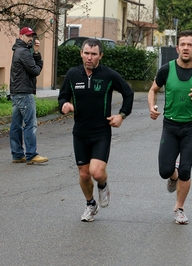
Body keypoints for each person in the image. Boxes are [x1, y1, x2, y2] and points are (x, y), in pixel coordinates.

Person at [58, 38, 134, 222]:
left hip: (101, 132)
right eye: (86, 53)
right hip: (80, 132)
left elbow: (128, 93)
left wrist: (121, 115)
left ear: (100, 55)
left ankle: (103, 184)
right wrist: (65, 105)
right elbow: (63, 96)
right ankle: (90, 204)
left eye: (93, 54)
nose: (89, 57)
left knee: (97, 172)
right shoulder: (72, 74)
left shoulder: (109, 75)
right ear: (81, 54)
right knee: (84, 174)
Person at [147, 30, 192, 225]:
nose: (186, 48)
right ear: (177, 48)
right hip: (170, 126)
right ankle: (173, 175)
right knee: (164, 170)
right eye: (183, 44)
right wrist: (152, 107)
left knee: (186, 170)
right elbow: (153, 90)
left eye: (190, 45)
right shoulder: (166, 69)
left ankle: (179, 208)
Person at [9, 27, 49, 165]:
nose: (30, 38)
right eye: (27, 36)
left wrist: (36, 52)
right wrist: (38, 58)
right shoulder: (24, 52)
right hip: (24, 92)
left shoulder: (18, 50)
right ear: (21, 36)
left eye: (31, 36)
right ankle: (31, 155)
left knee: (16, 124)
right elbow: (35, 70)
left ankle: (17, 154)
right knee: (30, 124)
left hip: (16, 92)